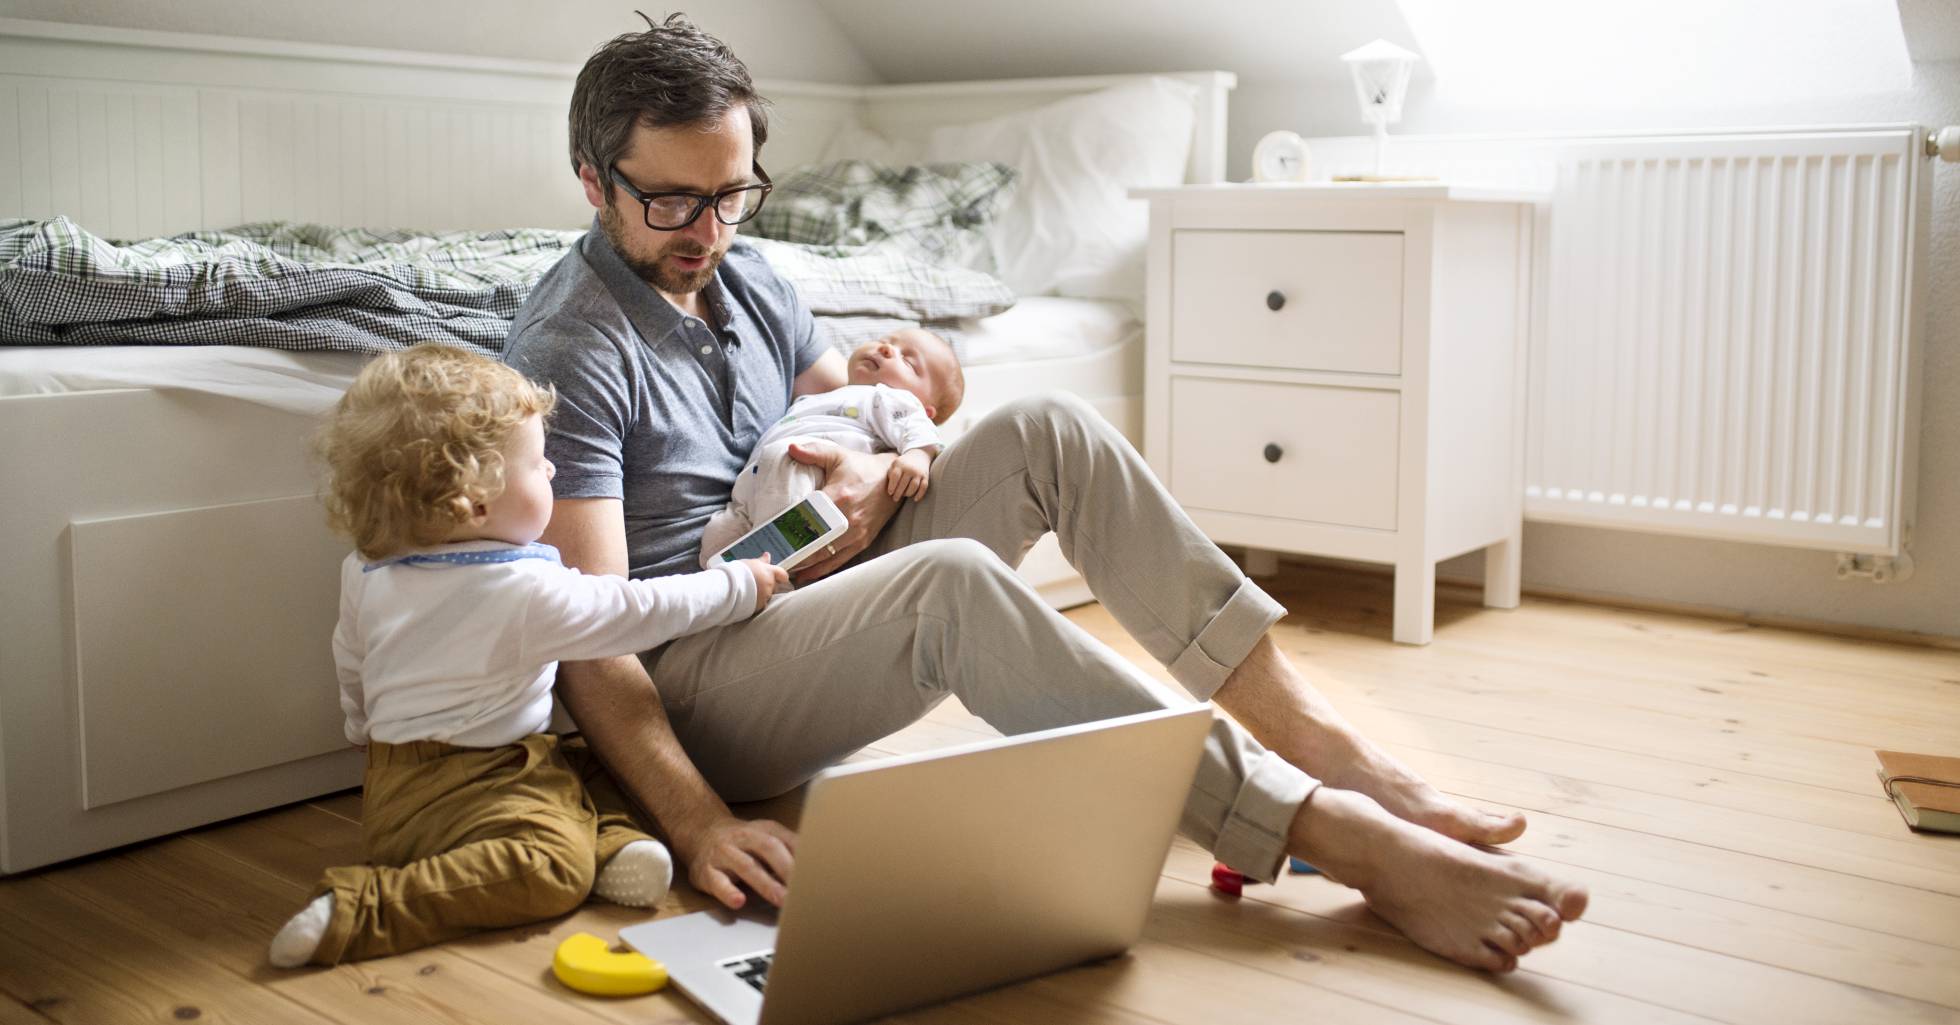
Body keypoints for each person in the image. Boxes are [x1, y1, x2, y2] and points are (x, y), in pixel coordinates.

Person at [503, 14, 1589, 974]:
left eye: (731, 193)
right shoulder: (573, 346)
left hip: (797, 589)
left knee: (1048, 427)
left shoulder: (749, 275)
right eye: (671, 201)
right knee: (949, 581)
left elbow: (841, 413)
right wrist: (697, 824)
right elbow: (593, 639)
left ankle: (1338, 757)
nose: (706, 229)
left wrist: (890, 462)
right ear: (595, 184)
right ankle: (1338, 836)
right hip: (693, 681)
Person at [269, 344, 789, 967]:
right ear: (476, 500)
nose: (551, 475)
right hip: (467, 792)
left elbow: (350, 658)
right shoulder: (520, 590)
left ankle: (614, 847)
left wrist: (360, 726)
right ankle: (365, 907)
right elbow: (637, 610)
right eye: (540, 465)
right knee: (548, 868)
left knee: (587, 760)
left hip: (395, 779)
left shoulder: (370, 569)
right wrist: (740, 587)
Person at [699, 326, 962, 565]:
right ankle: (731, 583)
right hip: (753, 488)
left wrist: (919, 454)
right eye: (884, 340)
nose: (885, 348)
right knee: (716, 541)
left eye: (908, 361)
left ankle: (775, 579)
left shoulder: (889, 399)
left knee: (784, 487)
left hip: (808, 473)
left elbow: (916, 426)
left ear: (924, 406)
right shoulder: (830, 395)